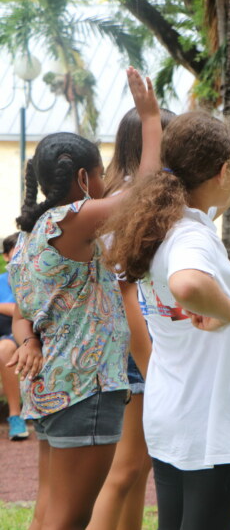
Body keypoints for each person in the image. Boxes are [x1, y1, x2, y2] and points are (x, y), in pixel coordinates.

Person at [101, 102, 230, 530]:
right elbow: (188, 284)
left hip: (175, 411)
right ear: (221, 171)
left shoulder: (154, 224)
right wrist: (226, 307)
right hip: (211, 417)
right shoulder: (188, 234)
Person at [7, 67, 161, 530]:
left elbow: (22, 314)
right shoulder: (70, 220)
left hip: (53, 387)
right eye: (98, 173)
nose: (103, 181)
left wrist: (29, 341)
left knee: (49, 509)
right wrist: (150, 118)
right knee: (72, 518)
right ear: (81, 177)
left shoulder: (30, 235)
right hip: (84, 388)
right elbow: (146, 189)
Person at [87, 106, 177, 530]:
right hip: (134, 341)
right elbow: (124, 290)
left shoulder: (117, 196)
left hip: (127, 339)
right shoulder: (130, 203)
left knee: (138, 467)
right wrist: (150, 363)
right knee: (126, 468)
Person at [0, 232, 27, 441]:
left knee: (5, 349)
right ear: (6, 256)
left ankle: (17, 416)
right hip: (6, 334)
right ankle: (15, 416)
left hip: (30, 335)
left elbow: (28, 311)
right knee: (4, 349)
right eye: (16, 249)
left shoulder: (34, 278)